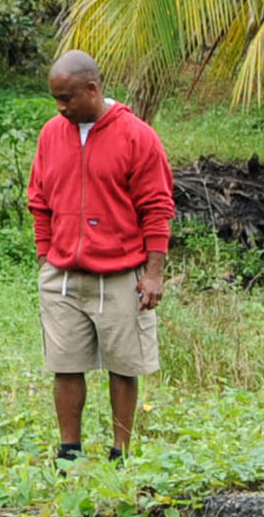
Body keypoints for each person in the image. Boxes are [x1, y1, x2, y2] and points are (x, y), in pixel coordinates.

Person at [25, 50, 174, 462]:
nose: (60, 107)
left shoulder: (136, 135)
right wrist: (45, 257)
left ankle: (119, 453)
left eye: (67, 98)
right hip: (63, 274)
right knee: (65, 362)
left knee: (123, 364)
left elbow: (157, 207)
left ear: (92, 89)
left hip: (122, 272)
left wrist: (154, 273)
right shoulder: (51, 133)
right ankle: (69, 452)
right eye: (56, 98)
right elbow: (38, 200)